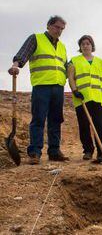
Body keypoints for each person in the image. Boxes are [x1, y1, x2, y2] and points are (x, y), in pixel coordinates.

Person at [8, 15, 69, 165]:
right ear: (48, 26)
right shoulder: (36, 38)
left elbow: (65, 67)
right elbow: (23, 53)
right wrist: (16, 65)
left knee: (56, 119)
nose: (59, 31)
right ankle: (35, 152)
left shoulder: (62, 47)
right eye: (56, 27)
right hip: (41, 86)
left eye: (62, 29)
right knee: (39, 119)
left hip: (58, 87)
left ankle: (54, 151)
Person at [67, 35, 102, 163]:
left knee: (100, 126)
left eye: (88, 43)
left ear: (92, 46)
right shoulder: (74, 61)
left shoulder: (100, 62)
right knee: (84, 126)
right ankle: (88, 150)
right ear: (80, 47)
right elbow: (71, 78)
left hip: (98, 98)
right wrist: (75, 91)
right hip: (82, 99)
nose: (85, 46)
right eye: (83, 44)